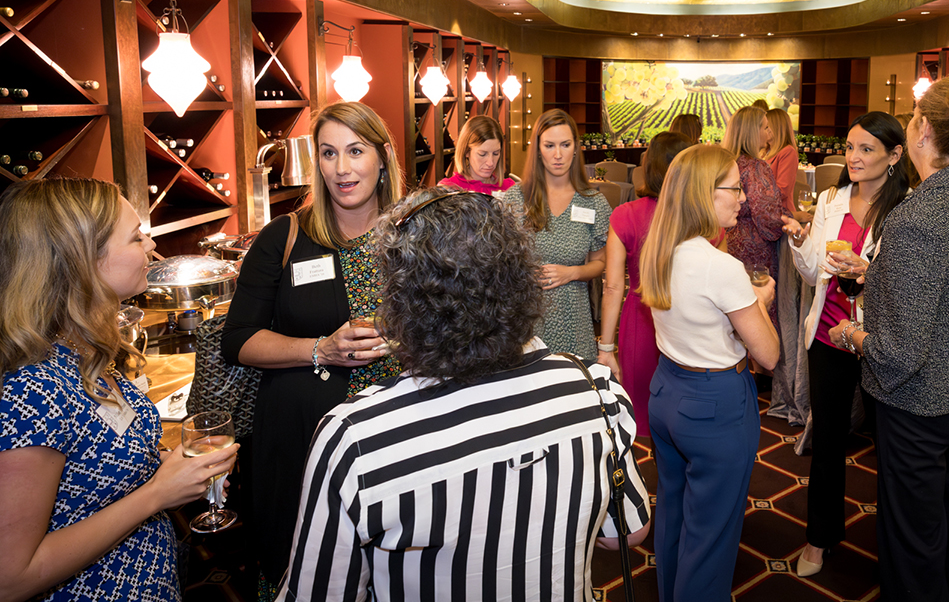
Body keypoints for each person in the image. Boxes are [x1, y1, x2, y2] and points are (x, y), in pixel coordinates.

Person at [277, 188, 651, 601]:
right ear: (520, 282)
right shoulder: (596, 391)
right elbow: (627, 533)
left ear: (402, 302)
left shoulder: (356, 439)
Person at [0, 178, 238, 602]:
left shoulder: (82, 352)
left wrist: (166, 470)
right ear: (80, 262)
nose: (150, 246)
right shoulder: (32, 388)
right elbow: (12, 577)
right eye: (135, 237)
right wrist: (156, 494)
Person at [836, 75, 949, 602]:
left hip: (920, 400)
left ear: (921, 132)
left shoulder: (918, 217)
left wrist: (852, 333)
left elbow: (897, 351)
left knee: (912, 536)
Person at [222, 101, 403, 599]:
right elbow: (238, 340)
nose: (342, 169)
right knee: (307, 566)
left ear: (382, 157)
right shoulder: (285, 235)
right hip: (303, 440)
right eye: (328, 153)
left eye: (355, 151)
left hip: (399, 435)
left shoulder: (417, 235)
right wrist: (320, 348)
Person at [640, 144, 780, 601]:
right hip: (715, 404)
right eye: (733, 188)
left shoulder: (660, 248)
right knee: (711, 537)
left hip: (666, 393)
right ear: (704, 194)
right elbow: (771, 355)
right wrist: (763, 303)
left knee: (674, 515)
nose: (742, 197)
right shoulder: (721, 266)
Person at [783, 111, 909, 577]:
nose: (853, 158)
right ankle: (819, 538)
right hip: (829, 336)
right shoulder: (833, 199)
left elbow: (912, 285)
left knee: (893, 447)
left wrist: (867, 271)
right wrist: (801, 241)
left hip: (883, 340)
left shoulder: (908, 208)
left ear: (895, 155)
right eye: (851, 147)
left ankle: (897, 546)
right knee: (829, 442)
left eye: (867, 150)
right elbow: (815, 273)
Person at [598, 130, 692, 437]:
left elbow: (613, 287)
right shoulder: (701, 220)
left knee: (640, 418)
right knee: (684, 419)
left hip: (639, 322)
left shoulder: (626, 215)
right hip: (689, 322)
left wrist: (606, 347)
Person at [501, 109, 609, 359]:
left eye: (565, 144)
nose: (558, 155)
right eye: (549, 145)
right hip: (526, 320)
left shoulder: (594, 202)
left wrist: (572, 272)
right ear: (538, 150)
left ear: (575, 148)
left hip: (575, 319)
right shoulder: (516, 199)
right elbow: (502, 263)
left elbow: (600, 263)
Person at [723, 106, 787, 331]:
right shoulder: (756, 167)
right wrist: (788, 222)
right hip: (755, 251)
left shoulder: (724, 163)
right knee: (758, 313)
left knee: (731, 310)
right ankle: (760, 364)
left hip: (725, 243)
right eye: (766, 127)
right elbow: (768, 219)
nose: (770, 133)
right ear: (752, 132)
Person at [438, 114, 516, 194]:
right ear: (466, 151)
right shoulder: (448, 188)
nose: (490, 163)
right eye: (482, 154)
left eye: (496, 153)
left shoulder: (509, 188)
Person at [761, 107, 800, 214]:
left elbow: (782, 190)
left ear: (776, 128)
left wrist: (756, 194)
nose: (763, 131)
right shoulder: (765, 151)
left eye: (766, 126)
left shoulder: (787, 152)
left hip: (780, 213)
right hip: (766, 211)